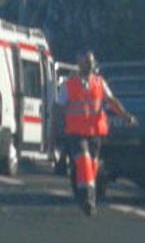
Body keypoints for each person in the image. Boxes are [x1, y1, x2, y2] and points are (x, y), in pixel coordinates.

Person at [56, 51, 135, 216]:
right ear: (80, 63)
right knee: (84, 162)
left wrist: (125, 115)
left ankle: (81, 193)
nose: (90, 65)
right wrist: (56, 129)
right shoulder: (69, 84)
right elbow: (59, 108)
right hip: (76, 134)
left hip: (94, 134)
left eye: (92, 61)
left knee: (92, 166)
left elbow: (111, 101)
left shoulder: (99, 83)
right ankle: (88, 200)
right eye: (87, 62)